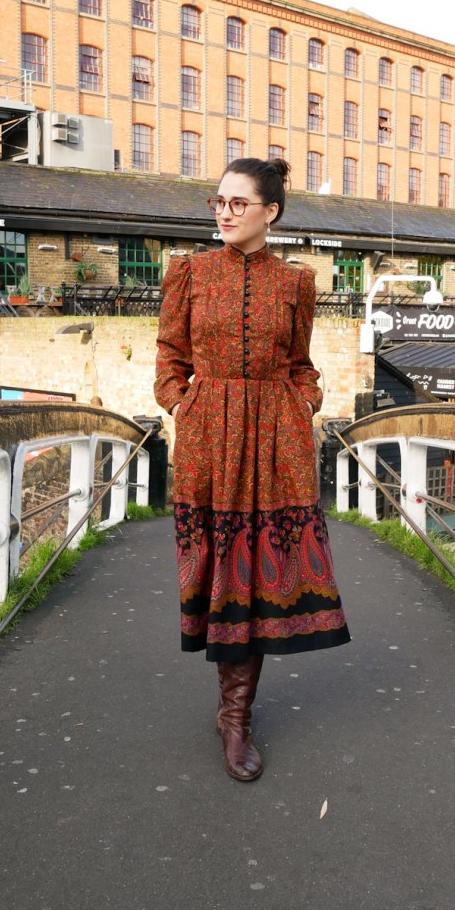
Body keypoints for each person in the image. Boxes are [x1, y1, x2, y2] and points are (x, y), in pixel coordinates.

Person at [155, 157, 350, 782]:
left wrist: (306, 399)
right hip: (210, 436)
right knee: (221, 571)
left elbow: (301, 362)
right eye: (218, 201)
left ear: (270, 211)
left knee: (258, 580)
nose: (223, 212)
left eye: (238, 203)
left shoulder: (295, 283)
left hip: (276, 440)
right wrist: (178, 399)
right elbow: (170, 352)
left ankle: (235, 716)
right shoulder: (187, 273)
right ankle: (230, 710)